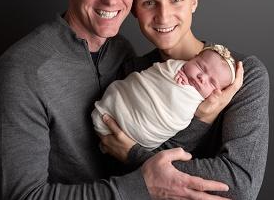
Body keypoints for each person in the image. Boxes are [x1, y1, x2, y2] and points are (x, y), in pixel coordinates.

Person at [0, 0, 244, 200]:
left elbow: (149, 149)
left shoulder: (123, 54)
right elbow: (22, 199)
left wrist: (199, 120)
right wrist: (140, 188)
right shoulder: (20, 73)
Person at [98, 0, 269, 200]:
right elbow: (117, 177)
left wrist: (134, 156)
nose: (163, 15)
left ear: (194, 0)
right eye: (149, 3)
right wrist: (202, 119)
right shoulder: (133, 74)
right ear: (134, 10)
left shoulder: (243, 74)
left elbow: (239, 188)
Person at [93, 44, 238, 150]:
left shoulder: (208, 100)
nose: (202, 77)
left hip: (143, 135)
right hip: (120, 107)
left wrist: (203, 114)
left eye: (212, 82)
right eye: (200, 67)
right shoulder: (170, 68)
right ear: (192, 59)